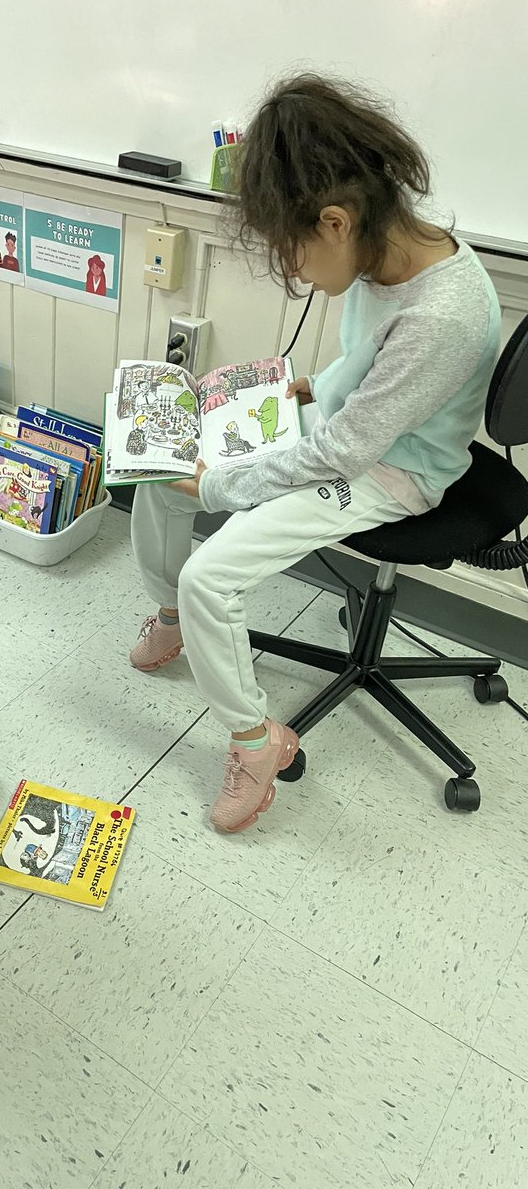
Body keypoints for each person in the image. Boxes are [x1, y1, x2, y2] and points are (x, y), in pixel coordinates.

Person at [128, 72, 500, 834]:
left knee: (212, 574)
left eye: (290, 252)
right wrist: (293, 390)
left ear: (334, 221)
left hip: (390, 474)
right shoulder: (382, 249)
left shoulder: (445, 315)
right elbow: (367, 369)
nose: (294, 273)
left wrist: (224, 487)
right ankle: (171, 610)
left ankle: (256, 741)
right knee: (161, 465)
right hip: (345, 432)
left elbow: (347, 450)